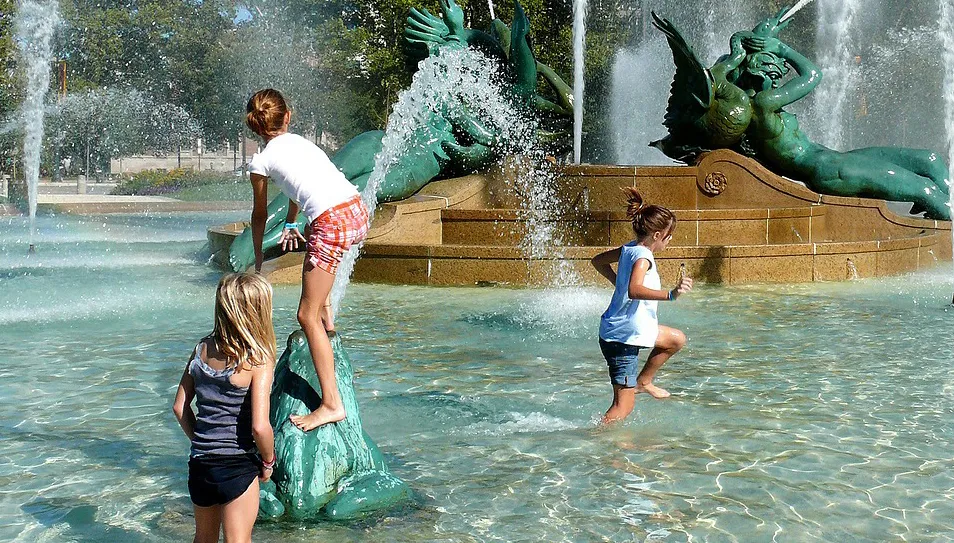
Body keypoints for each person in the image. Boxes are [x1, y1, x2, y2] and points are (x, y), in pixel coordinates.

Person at [244, 88, 370, 431]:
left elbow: (258, 216)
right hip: (356, 210)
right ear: (288, 117)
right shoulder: (300, 142)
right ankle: (328, 327)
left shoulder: (261, 162)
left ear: (255, 129)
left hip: (330, 221)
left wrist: (258, 260)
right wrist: (290, 221)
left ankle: (331, 404)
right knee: (315, 278)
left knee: (304, 313)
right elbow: (300, 186)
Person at [173, 273, 277, 543]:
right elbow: (259, 426)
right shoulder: (257, 359)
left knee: (203, 539)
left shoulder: (201, 350)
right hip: (237, 465)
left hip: (201, 464)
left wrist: (202, 441)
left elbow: (179, 408)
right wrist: (268, 462)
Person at [590, 188, 693, 424]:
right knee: (623, 408)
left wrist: (618, 281)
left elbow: (597, 261)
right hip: (622, 338)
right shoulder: (643, 257)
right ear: (657, 235)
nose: (670, 239)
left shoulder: (630, 248)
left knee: (675, 339)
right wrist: (671, 294)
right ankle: (596, 440)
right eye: (669, 235)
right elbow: (635, 290)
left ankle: (644, 382)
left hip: (632, 329)